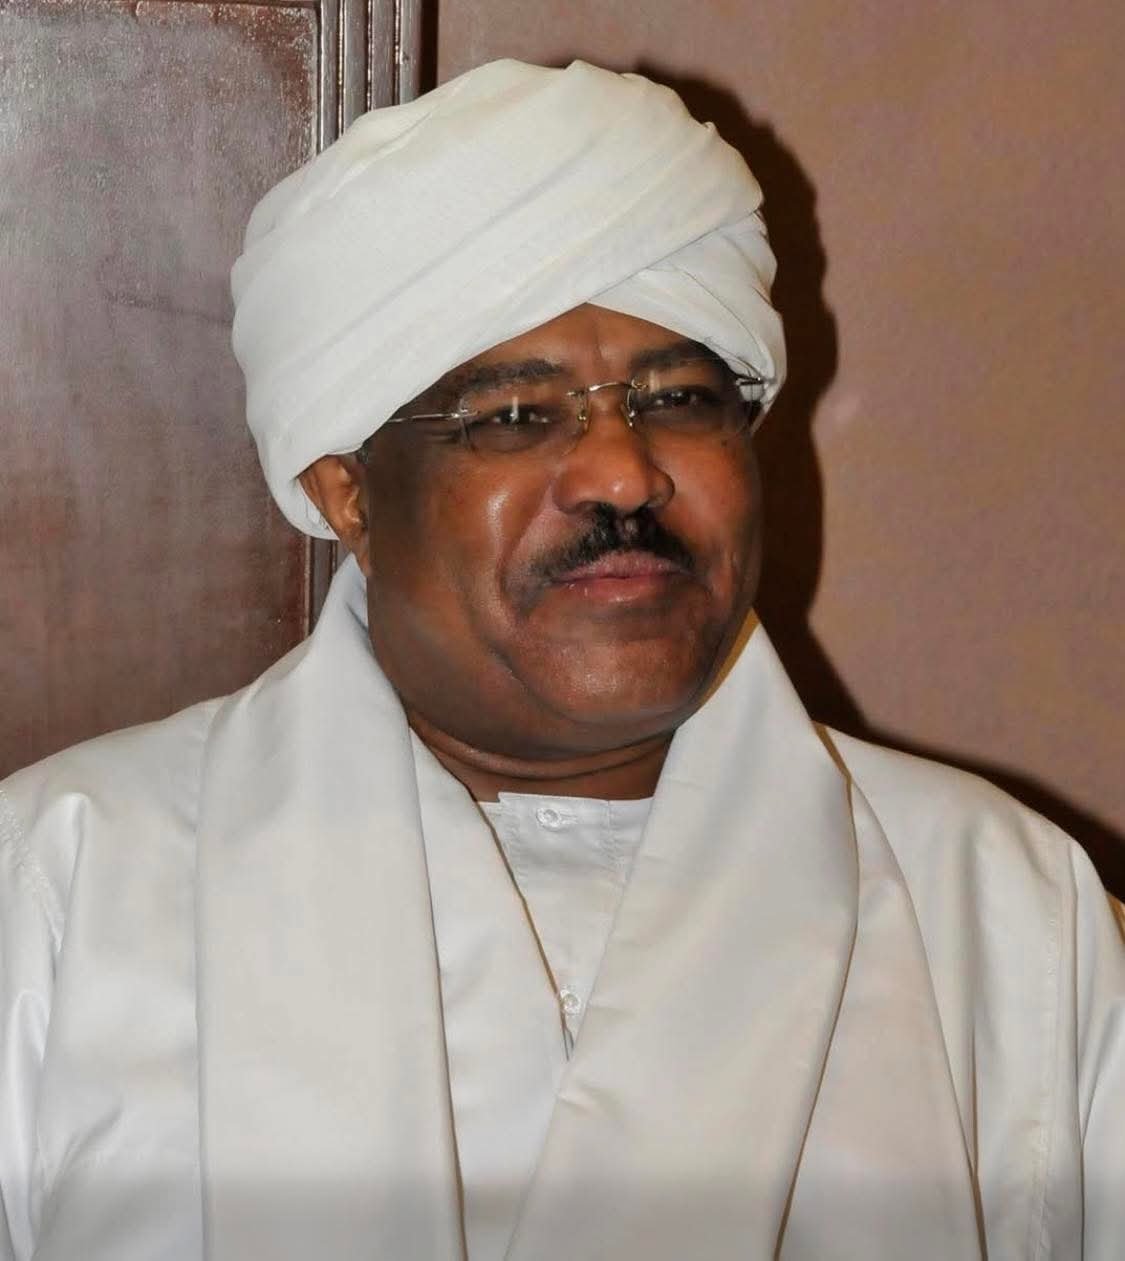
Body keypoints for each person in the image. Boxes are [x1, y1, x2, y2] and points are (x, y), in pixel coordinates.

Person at [0, 58, 1122, 1261]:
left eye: (680, 399)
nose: (624, 476)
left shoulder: (1008, 915)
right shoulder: (64, 890)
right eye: (515, 417)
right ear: (347, 494)